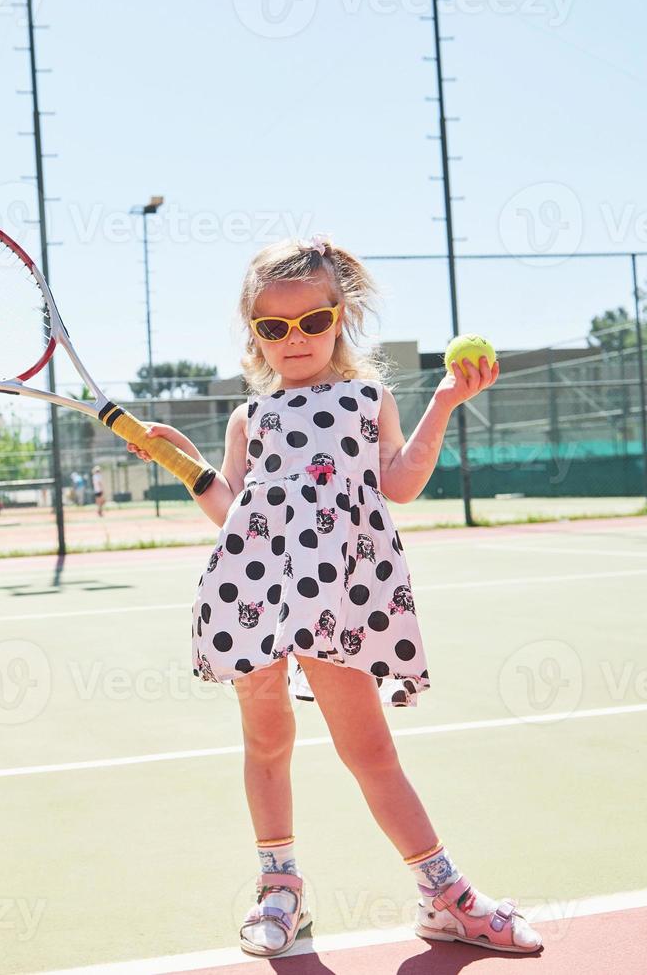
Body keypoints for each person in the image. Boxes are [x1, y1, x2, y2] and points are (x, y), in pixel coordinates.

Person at [125, 235, 540, 958]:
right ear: (252, 332)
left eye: (311, 322)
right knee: (266, 740)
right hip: (250, 591)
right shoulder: (247, 417)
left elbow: (401, 483)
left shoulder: (365, 397)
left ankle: (444, 896)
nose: (294, 339)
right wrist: (184, 466)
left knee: (369, 748)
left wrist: (444, 400)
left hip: (340, 598)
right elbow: (235, 513)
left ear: (339, 316)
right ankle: (280, 888)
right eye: (272, 326)